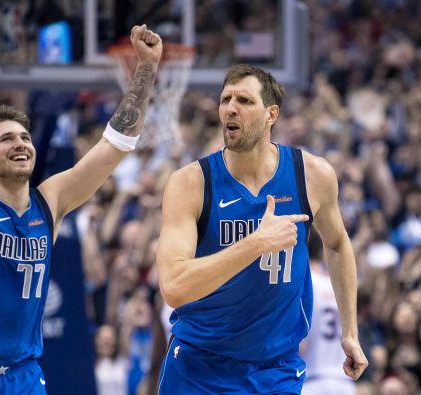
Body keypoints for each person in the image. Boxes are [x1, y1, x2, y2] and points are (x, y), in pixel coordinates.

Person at [0, 11, 162, 395]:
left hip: (25, 374)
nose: (20, 143)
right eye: (6, 139)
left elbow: (114, 147)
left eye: (24, 137)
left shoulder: (50, 201)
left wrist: (146, 69)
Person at [156, 64, 368, 393]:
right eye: (225, 99)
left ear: (271, 114)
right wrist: (256, 243)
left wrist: (350, 331)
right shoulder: (191, 183)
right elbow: (173, 286)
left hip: (275, 369)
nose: (230, 108)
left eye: (244, 100)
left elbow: (338, 244)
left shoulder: (311, 175)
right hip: (198, 366)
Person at [300, 260, 355, 395]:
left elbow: (301, 345)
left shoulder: (304, 282)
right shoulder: (339, 284)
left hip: (313, 380)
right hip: (344, 381)